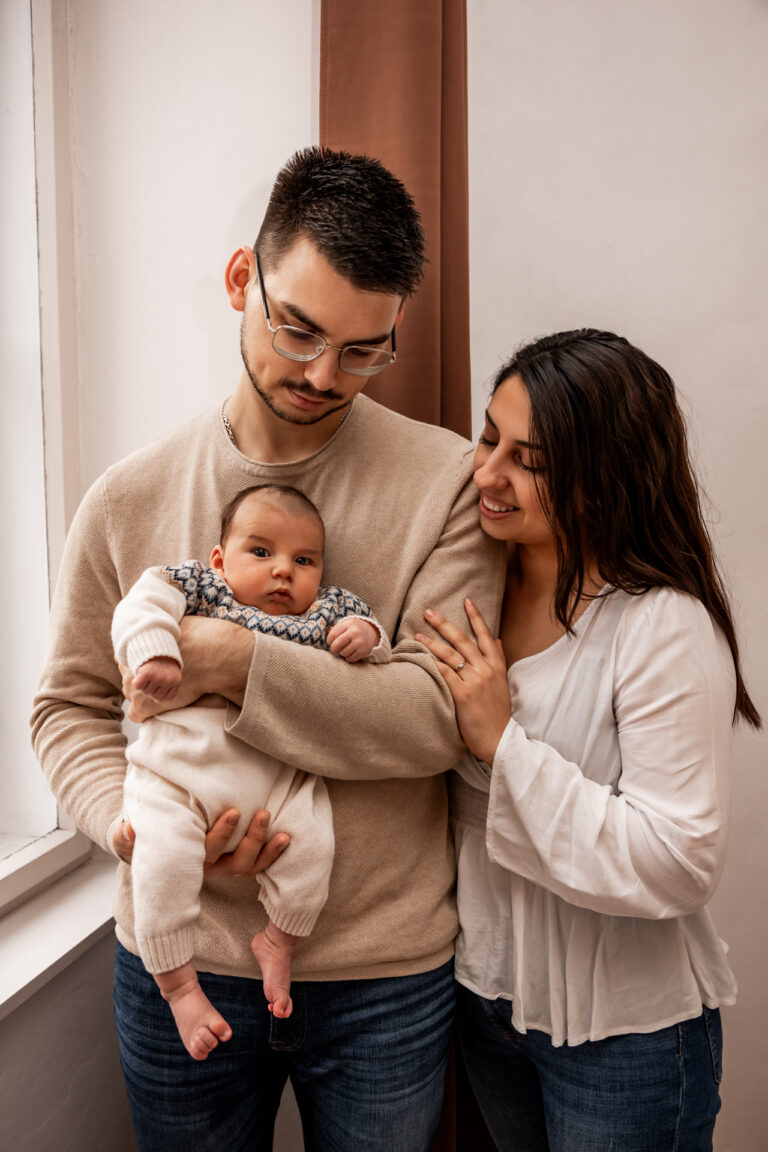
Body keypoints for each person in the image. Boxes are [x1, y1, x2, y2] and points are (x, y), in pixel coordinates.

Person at [31, 147, 504, 1151]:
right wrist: (130, 824)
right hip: (178, 957)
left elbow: (433, 715)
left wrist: (231, 662)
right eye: (298, 331)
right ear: (243, 278)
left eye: (363, 350)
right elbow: (66, 706)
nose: (322, 376)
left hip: (384, 974)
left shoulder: (448, 482)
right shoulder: (126, 498)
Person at [416, 328, 761, 1152]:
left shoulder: (660, 625)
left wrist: (506, 745)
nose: (488, 476)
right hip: (485, 1006)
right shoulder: (474, 584)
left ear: (605, 478)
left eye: (530, 461)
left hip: (626, 1039)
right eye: (489, 438)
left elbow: (680, 860)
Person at [112, 482, 391, 1055]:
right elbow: (141, 603)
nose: (283, 572)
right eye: (261, 553)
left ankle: (279, 940)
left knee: (314, 846)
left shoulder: (327, 611)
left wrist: (367, 635)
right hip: (177, 777)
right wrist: (157, 653)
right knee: (161, 865)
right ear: (220, 559)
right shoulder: (201, 587)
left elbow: (384, 652)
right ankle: (179, 985)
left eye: (303, 560)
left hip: (278, 779)